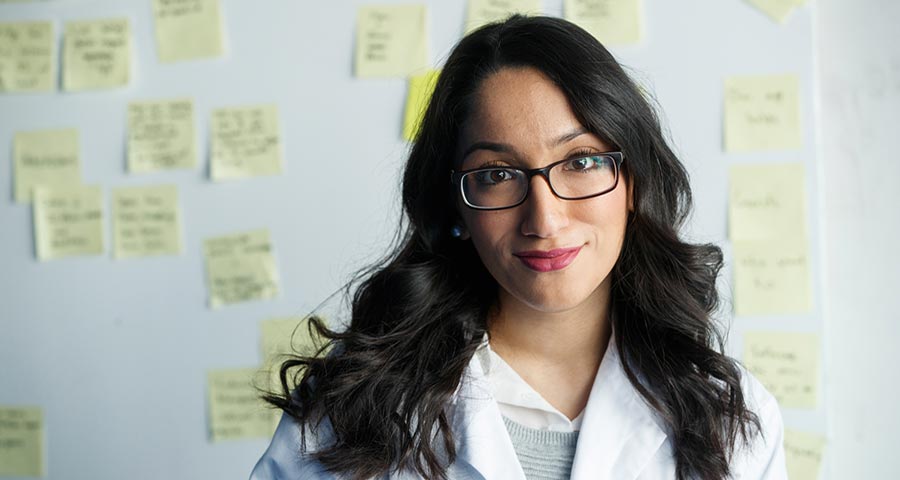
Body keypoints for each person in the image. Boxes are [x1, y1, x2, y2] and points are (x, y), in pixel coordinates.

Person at [252, 15, 786, 480]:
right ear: (457, 205)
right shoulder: (351, 407)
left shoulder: (733, 418)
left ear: (634, 183)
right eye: (498, 174)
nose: (545, 219)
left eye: (580, 162)